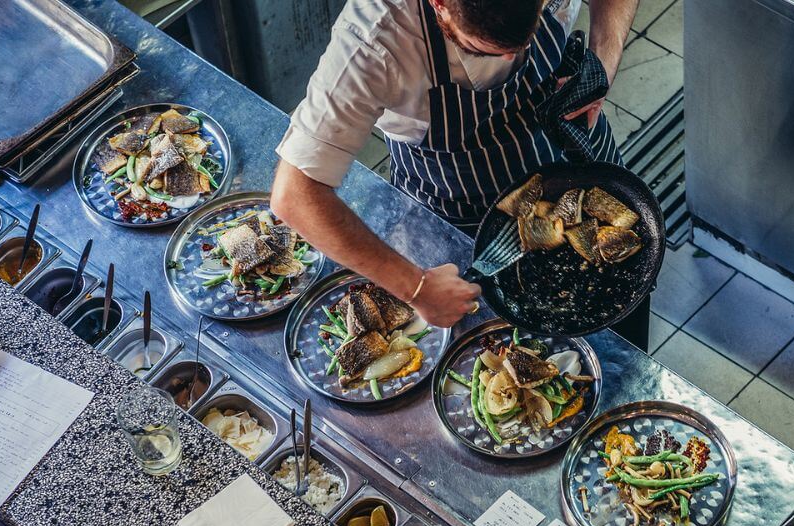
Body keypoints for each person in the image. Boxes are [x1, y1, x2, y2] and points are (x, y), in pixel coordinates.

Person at [271, 0, 647, 346]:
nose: (513, 58)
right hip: (464, 216)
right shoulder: (375, 38)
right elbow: (295, 195)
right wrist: (417, 288)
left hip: (579, 157)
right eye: (484, 49)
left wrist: (601, 64)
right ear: (440, 6)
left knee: (625, 313)